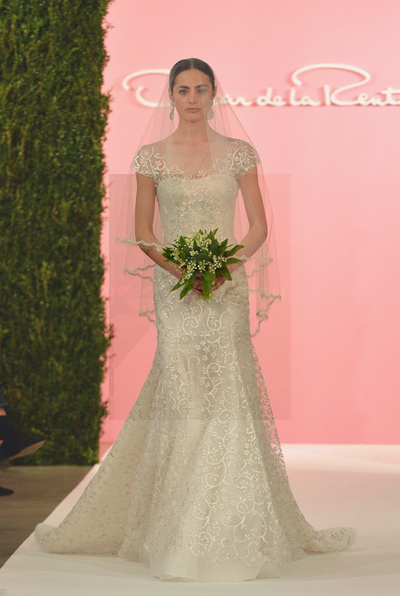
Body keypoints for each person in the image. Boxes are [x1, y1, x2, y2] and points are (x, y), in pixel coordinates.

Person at [35, 58, 355, 582]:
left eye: (200, 89)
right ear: (170, 95)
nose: (191, 99)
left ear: (213, 94)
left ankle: (226, 528)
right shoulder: (150, 158)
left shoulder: (239, 153)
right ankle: (176, 524)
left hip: (225, 286)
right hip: (176, 289)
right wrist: (183, 270)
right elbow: (143, 231)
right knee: (183, 392)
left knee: (227, 389)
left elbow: (258, 225)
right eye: (182, 90)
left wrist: (221, 269)